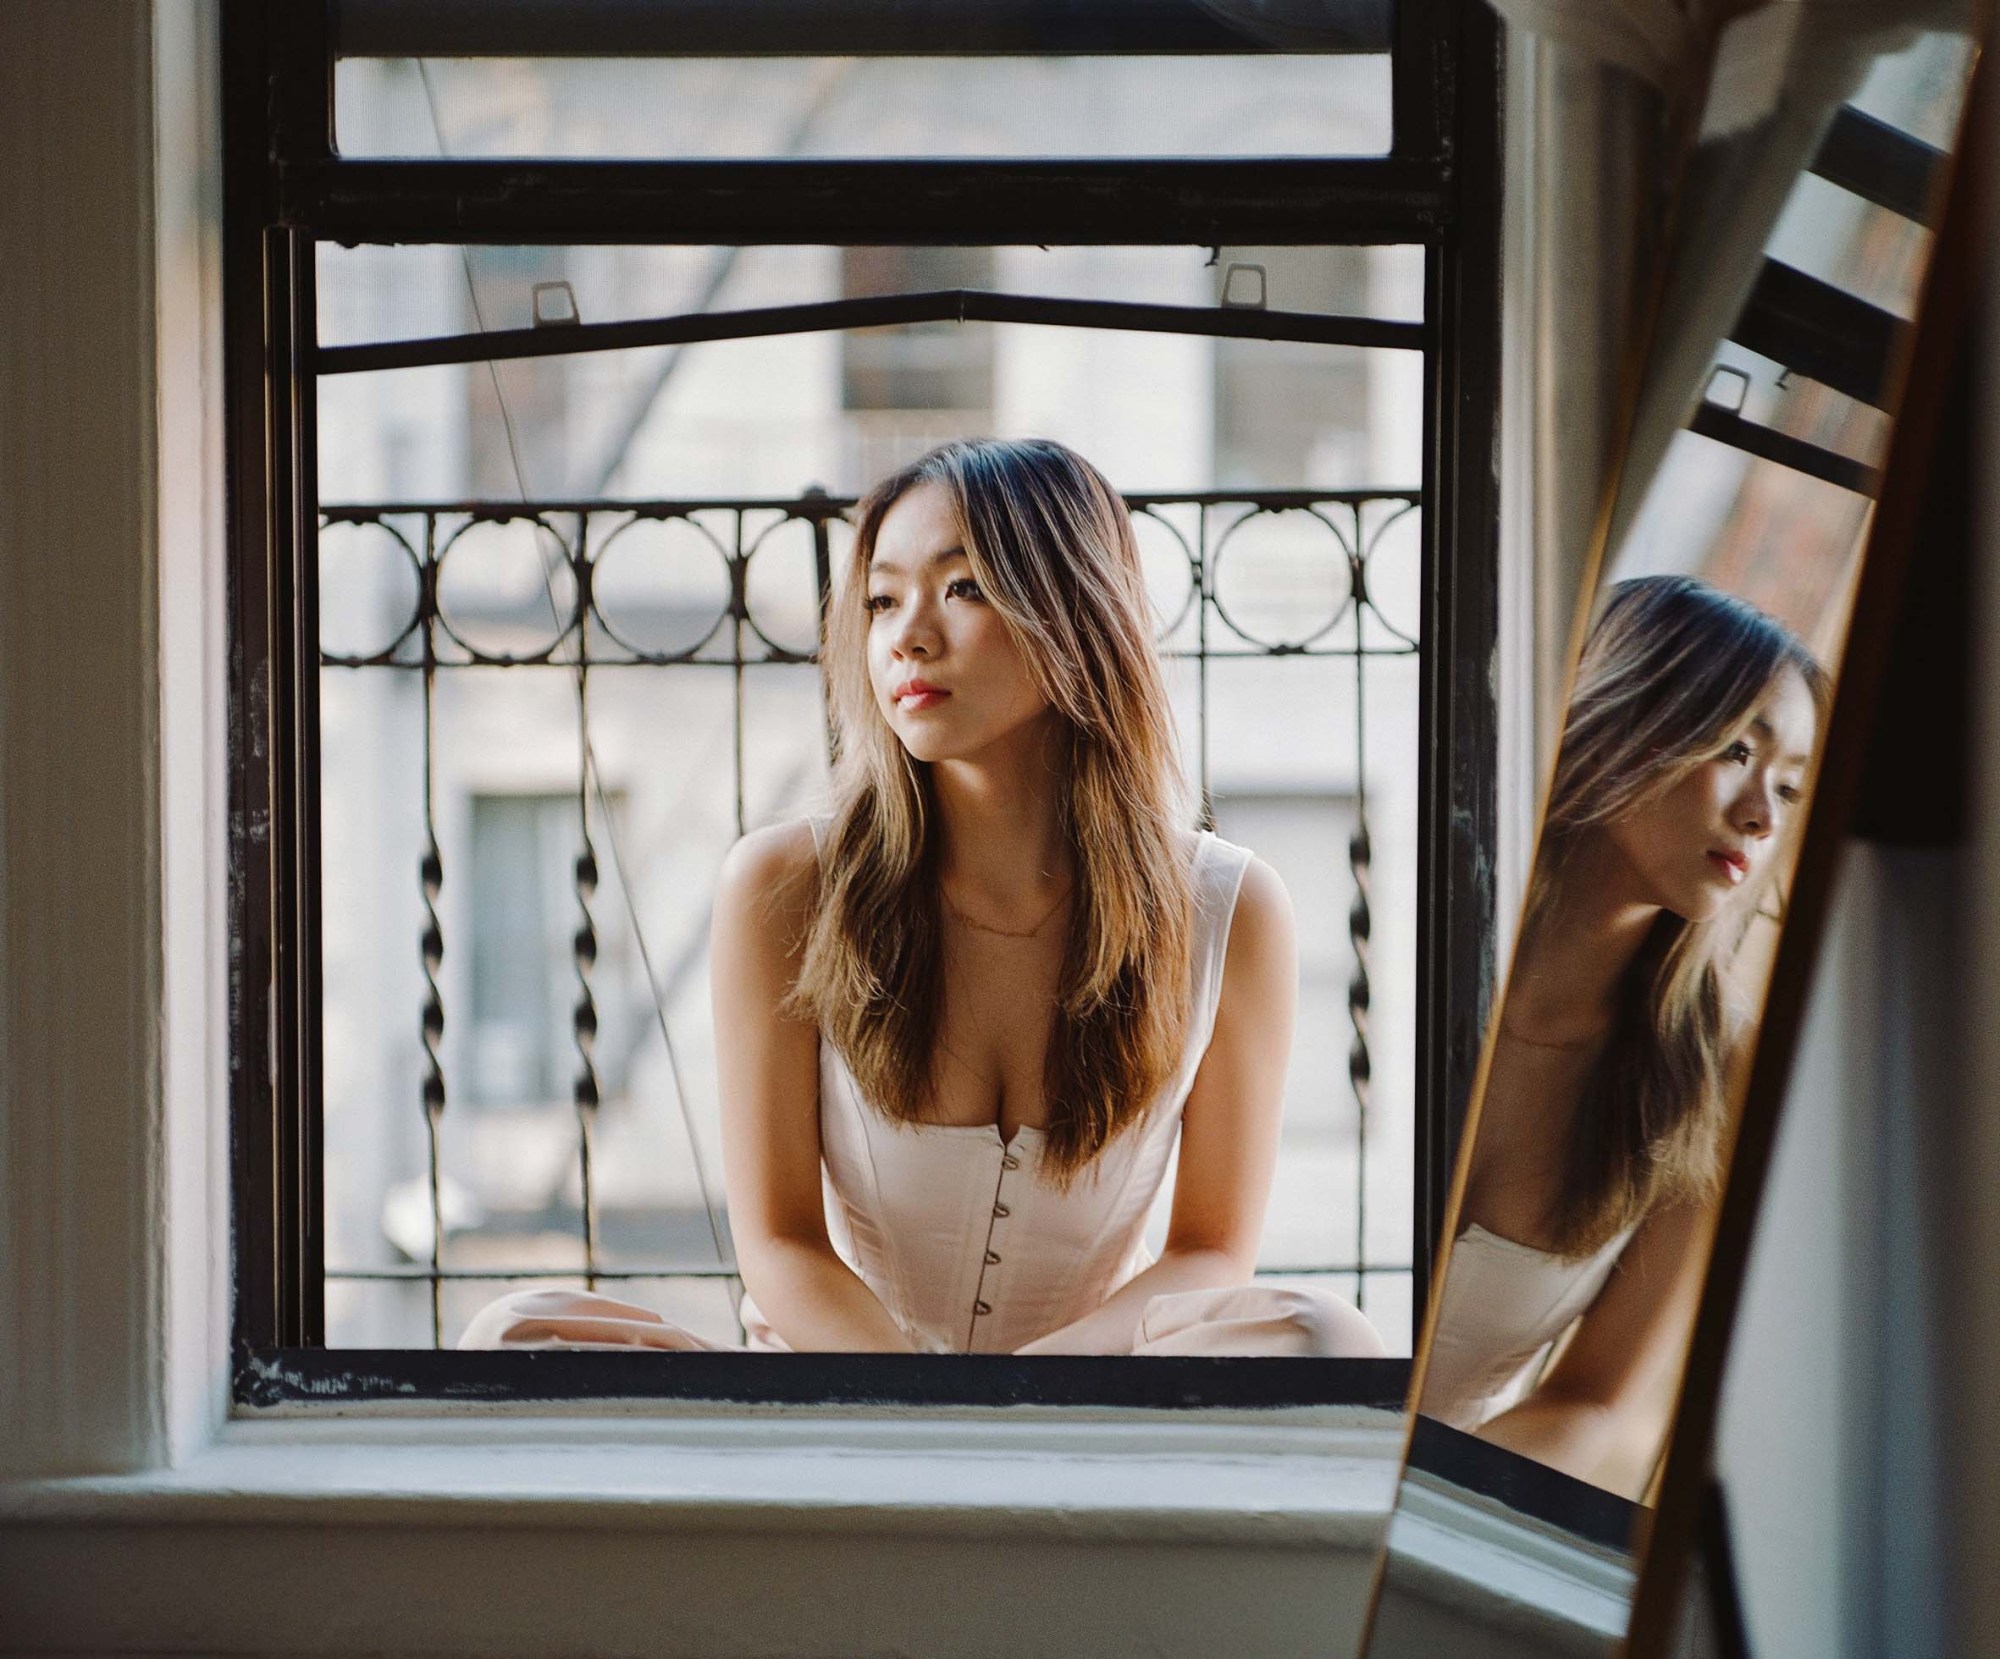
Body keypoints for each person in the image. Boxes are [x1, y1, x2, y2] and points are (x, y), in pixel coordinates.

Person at [461, 437, 1385, 1358]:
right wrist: (931, 1414)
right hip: (846, 1403)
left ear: (1074, 608)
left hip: (1090, 1407)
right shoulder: (784, 887)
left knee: (1331, 1338)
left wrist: (1023, 1408)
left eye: (963, 587)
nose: (908, 633)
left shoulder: (1230, 908)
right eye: (882, 598)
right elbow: (780, 1246)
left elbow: (1209, 1250)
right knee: (512, 1334)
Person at [1419, 575, 1826, 1484]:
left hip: (1441, 1523)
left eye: (1792, 788)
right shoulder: (1426, 924)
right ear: (1630, 715)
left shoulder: (1714, 1069)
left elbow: (1603, 1406)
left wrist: (1413, 1511)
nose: (1762, 813)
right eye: (1736, 749)